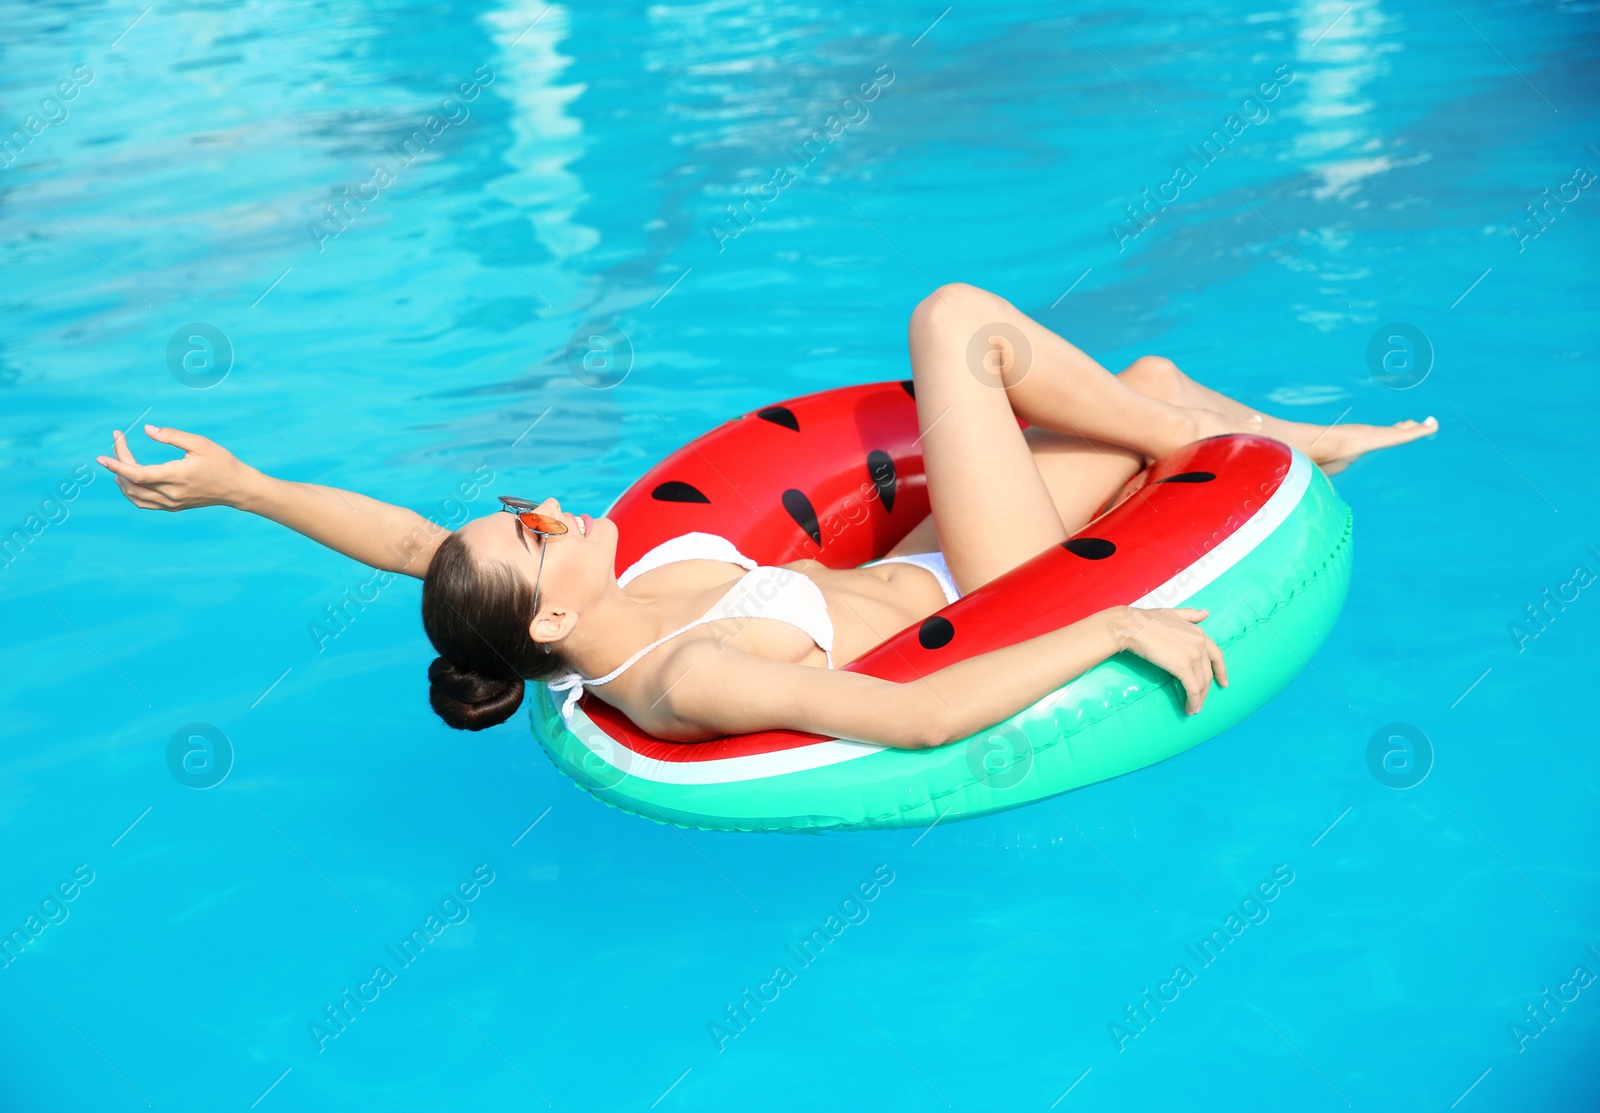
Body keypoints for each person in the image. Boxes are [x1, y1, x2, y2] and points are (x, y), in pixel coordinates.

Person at [98, 283, 1435, 748]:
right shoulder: (691, 670)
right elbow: (915, 715)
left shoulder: (559, 606)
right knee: (953, 322)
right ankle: (1262, 438)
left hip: (930, 559)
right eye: (537, 530)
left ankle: (1239, 430)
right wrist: (1114, 631)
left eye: (525, 509)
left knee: (1134, 392)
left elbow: (407, 544)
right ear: (554, 610)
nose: (555, 508)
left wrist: (245, 485)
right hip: (993, 599)